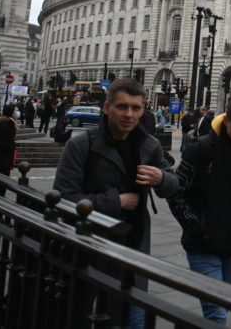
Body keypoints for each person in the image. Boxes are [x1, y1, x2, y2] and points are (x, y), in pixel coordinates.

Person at [53, 78, 177, 329]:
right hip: (88, 243)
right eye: (122, 107)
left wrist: (162, 178)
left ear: (143, 110)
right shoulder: (81, 144)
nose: (129, 114)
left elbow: (174, 185)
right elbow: (63, 198)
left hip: (132, 243)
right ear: (107, 108)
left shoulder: (149, 145)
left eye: (136, 108)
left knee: (124, 315)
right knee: (80, 313)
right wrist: (115, 201)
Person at [168, 92, 231, 325]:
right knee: (216, 314)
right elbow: (175, 191)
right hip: (203, 244)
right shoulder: (201, 148)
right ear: (227, 120)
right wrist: (195, 226)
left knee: (222, 309)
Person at [0, 107, 19, 195]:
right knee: (4, 177)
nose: (17, 112)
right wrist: (9, 146)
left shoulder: (11, 123)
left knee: (3, 176)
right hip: (3, 155)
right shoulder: (5, 124)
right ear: (11, 113)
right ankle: (0, 196)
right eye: (16, 111)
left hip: (6, 155)